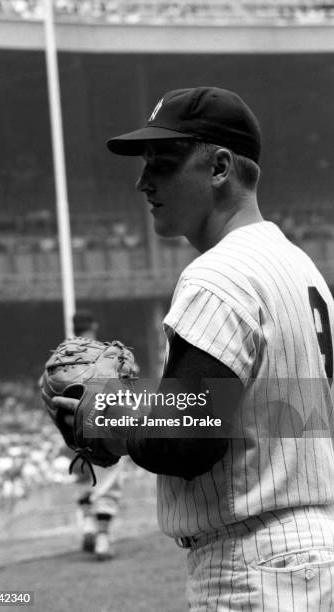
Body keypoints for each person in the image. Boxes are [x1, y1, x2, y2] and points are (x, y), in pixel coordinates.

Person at [59, 87, 334, 609]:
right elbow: (244, 414)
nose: (143, 181)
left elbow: (188, 436)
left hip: (253, 564)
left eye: (162, 162)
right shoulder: (302, 269)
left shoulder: (218, 274)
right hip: (315, 553)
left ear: (219, 167)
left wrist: (110, 415)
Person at [72, 309, 125, 561]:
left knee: (84, 481)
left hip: (71, 430)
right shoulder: (102, 354)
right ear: (92, 325)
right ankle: (101, 538)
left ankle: (87, 526)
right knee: (107, 484)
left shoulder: (58, 358)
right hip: (98, 427)